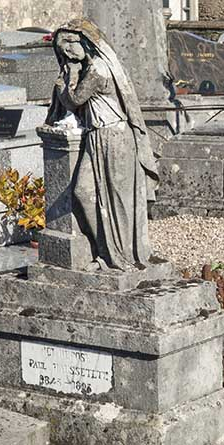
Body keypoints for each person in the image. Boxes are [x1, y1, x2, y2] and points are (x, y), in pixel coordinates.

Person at [46, 19, 159, 272]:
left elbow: (75, 100)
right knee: (83, 192)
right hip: (97, 136)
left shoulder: (98, 69)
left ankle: (122, 256)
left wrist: (66, 81)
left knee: (118, 201)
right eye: (63, 48)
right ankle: (106, 251)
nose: (68, 51)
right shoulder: (91, 66)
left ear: (87, 42)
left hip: (114, 139)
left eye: (71, 43)